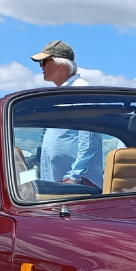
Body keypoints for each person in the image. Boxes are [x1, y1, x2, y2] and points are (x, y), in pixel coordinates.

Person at [33, 41, 104, 185]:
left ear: (61, 64)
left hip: (76, 185)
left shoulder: (81, 89)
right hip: (60, 183)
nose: (41, 66)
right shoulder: (61, 93)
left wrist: (75, 176)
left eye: (44, 61)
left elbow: (89, 137)